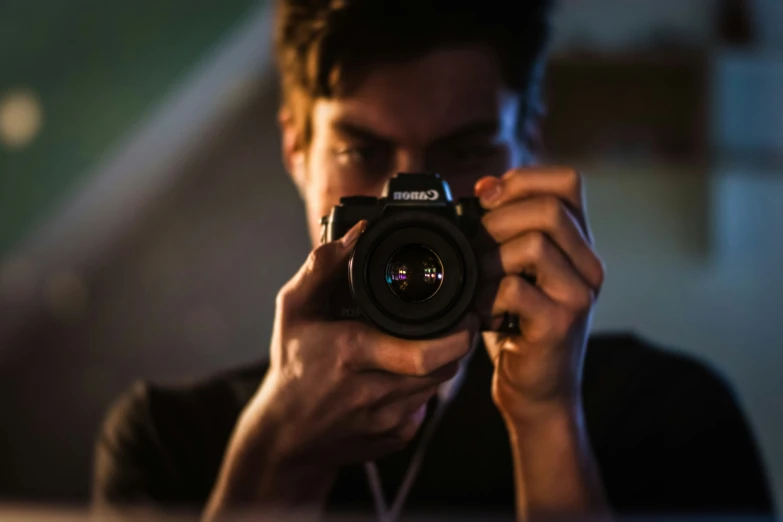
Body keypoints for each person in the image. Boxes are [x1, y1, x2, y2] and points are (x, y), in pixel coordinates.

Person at [92, 0, 774, 520]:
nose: (411, 198)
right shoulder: (167, 440)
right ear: (296, 148)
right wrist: (277, 452)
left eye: (465, 149)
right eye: (361, 151)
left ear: (528, 143)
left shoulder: (673, 416)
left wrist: (547, 419)